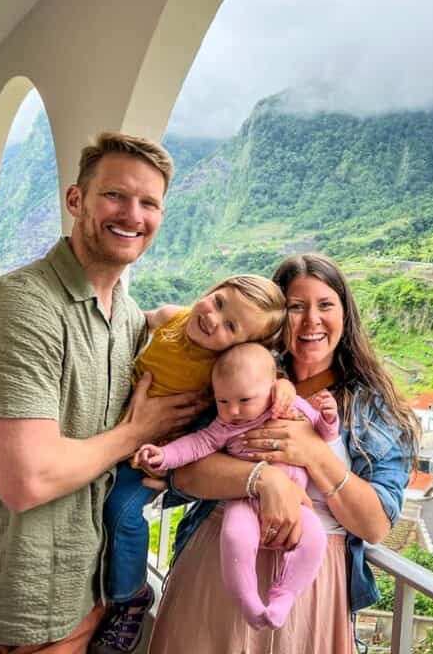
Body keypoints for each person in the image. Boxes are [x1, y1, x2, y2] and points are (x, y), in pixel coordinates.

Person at [0, 132, 207, 654]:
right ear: (76, 200)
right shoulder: (23, 307)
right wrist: (138, 433)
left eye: (149, 202)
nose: (132, 214)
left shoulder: (128, 317)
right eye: (115, 195)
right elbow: (25, 479)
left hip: (88, 587)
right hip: (17, 600)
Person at [149, 253, 420, 654]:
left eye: (326, 305)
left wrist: (314, 454)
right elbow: (183, 473)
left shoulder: (370, 407)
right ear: (277, 318)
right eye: (297, 307)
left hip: (312, 584)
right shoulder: (241, 373)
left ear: (345, 315)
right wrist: (264, 479)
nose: (312, 320)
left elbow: (376, 525)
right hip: (218, 563)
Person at [93, 277, 292, 653]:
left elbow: (264, 377)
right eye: (218, 302)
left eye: (230, 326)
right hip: (114, 429)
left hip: (150, 457)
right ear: (211, 289)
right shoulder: (173, 316)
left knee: (121, 511)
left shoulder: (217, 369)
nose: (213, 319)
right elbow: (131, 321)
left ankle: (130, 597)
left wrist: (284, 388)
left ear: (240, 345)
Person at [136, 342, 339, 629]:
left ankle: (283, 597)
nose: (233, 410)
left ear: (272, 388)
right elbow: (197, 444)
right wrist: (164, 455)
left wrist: (329, 417)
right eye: (223, 401)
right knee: (234, 538)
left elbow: (323, 431)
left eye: (244, 401)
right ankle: (249, 603)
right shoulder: (224, 425)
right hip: (245, 498)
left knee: (315, 538)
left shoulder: (289, 407)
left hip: (295, 501)